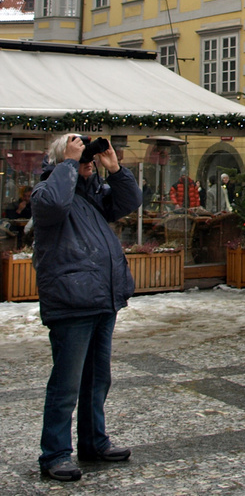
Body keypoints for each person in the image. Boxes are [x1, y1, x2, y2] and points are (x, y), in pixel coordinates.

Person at [31, 133, 142, 481]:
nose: (86, 163)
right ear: (60, 160)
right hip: (71, 301)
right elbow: (53, 205)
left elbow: (129, 201)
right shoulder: (47, 192)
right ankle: (55, 454)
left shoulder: (93, 196)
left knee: (97, 379)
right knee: (65, 384)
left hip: (101, 298)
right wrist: (66, 163)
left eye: (86, 159)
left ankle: (94, 441)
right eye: (79, 157)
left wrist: (115, 168)